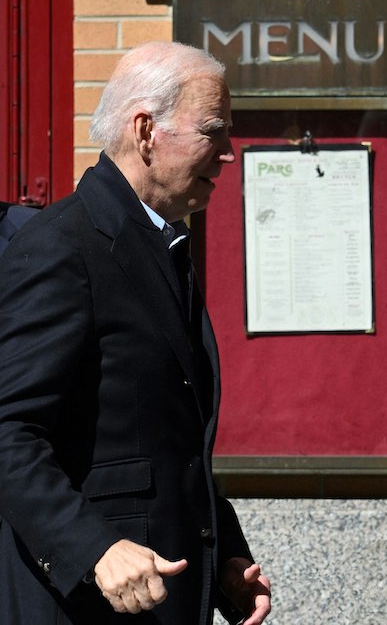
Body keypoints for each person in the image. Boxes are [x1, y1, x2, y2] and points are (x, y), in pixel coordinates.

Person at [0, 42, 271, 623]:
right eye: (214, 131)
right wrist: (92, 549)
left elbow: (168, 441)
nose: (227, 153)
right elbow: (9, 433)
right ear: (146, 130)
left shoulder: (162, 243)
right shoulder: (61, 246)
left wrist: (222, 555)